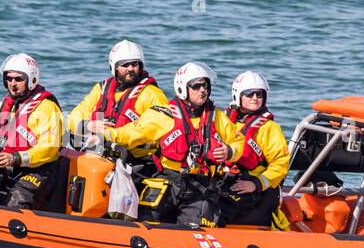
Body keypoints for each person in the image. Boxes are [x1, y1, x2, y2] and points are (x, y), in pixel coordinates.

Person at [92, 62, 244, 228]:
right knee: (145, 221)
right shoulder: (163, 115)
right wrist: (104, 134)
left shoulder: (217, 118)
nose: (203, 90)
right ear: (182, 88)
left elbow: (238, 141)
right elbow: (132, 133)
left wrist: (229, 151)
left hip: (199, 186)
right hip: (168, 181)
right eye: (197, 86)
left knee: (196, 228)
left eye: (205, 86)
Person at [67, 40, 166, 176]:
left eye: (135, 64)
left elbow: (148, 130)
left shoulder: (152, 94)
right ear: (114, 67)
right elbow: (74, 117)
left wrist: (110, 136)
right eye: (125, 64)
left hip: (137, 162)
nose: (130, 68)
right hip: (102, 155)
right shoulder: (101, 90)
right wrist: (88, 125)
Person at [0, 53, 63, 210]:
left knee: (14, 202)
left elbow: (50, 148)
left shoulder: (47, 107)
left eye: (18, 79)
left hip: (37, 171)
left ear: (32, 80)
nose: (13, 83)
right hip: (6, 167)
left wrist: (16, 158)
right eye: (9, 78)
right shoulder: (5, 104)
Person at [221, 71, 290, 228]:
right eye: (249, 94)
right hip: (226, 180)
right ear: (238, 95)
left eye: (259, 94)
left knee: (219, 207)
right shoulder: (224, 121)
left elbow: (280, 164)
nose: (255, 98)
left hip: (255, 189)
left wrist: (256, 184)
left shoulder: (269, 128)